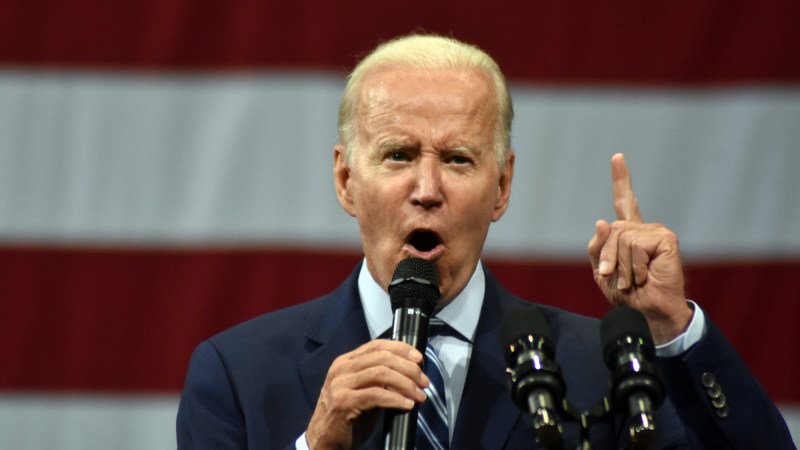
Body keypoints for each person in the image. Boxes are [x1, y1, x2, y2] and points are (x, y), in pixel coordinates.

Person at [176, 34, 796, 449]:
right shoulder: (239, 375)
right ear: (346, 179)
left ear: (501, 187)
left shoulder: (601, 369)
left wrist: (671, 330)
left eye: (458, 159)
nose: (427, 188)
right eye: (397, 155)